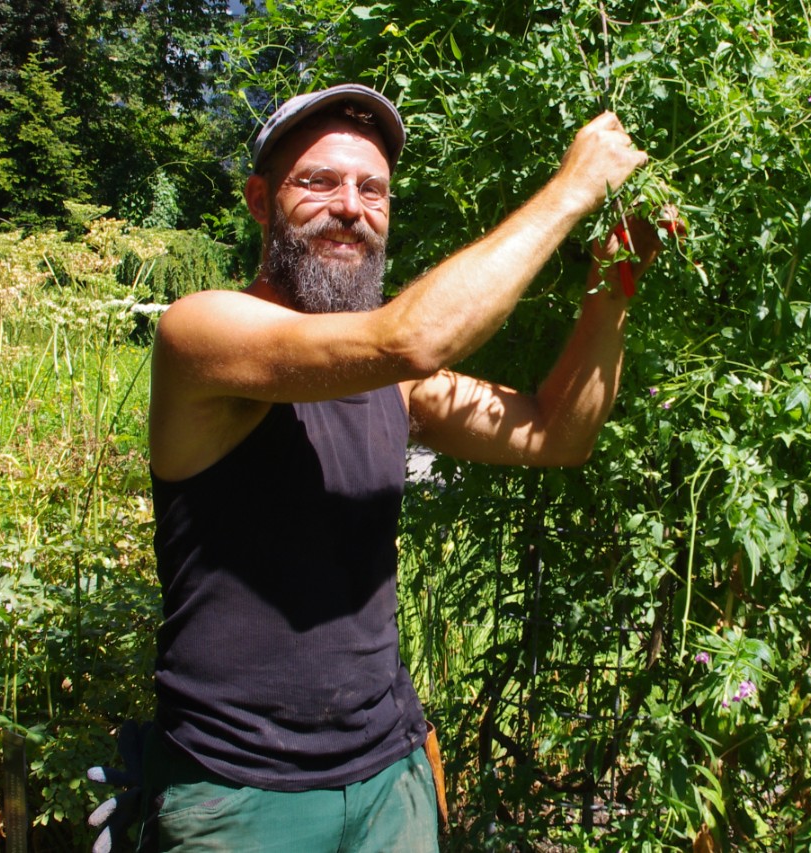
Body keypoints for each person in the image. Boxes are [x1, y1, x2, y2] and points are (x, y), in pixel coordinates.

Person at [133, 84, 661, 851]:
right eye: (318, 182)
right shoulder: (205, 333)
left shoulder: (394, 386)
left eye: (373, 188)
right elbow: (411, 337)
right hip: (243, 800)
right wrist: (573, 189)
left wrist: (614, 284)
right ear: (258, 201)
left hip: (391, 781)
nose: (351, 205)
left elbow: (556, 434)